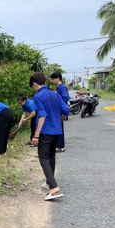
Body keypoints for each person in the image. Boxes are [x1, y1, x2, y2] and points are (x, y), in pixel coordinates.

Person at [30, 72, 69, 200]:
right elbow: (66, 110)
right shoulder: (55, 94)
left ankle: (53, 187)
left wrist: (36, 136)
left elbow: (42, 115)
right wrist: (59, 120)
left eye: (33, 87)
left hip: (45, 132)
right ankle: (49, 182)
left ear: (35, 84)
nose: (33, 89)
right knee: (51, 156)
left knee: (43, 158)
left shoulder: (38, 96)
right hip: (57, 131)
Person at [50, 71, 70, 153]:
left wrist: (58, 102)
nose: (52, 81)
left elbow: (66, 97)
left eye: (53, 79)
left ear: (58, 78)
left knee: (59, 127)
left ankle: (60, 146)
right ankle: (58, 145)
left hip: (61, 109)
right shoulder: (59, 87)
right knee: (58, 126)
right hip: (59, 109)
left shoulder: (62, 87)